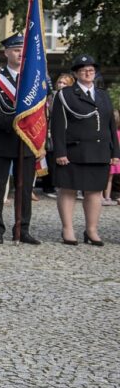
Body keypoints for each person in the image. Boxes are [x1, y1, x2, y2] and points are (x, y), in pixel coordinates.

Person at [51, 54, 119, 245]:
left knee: (95, 191)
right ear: (76, 73)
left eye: (91, 70)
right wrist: (60, 152)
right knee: (68, 190)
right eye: (83, 70)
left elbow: (111, 126)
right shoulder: (65, 95)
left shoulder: (103, 95)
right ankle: (68, 230)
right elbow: (57, 126)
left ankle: (91, 230)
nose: (88, 73)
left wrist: (115, 153)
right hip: (74, 151)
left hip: (99, 151)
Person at [0, 33, 40, 244]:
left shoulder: (33, 79)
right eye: (15, 50)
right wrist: (13, 124)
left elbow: (41, 111)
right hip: (2, 138)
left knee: (24, 189)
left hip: (27, 140)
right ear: (6, 52)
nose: (19, 54)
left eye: (22, 50)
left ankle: (22, 228)